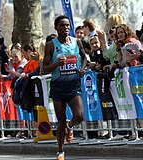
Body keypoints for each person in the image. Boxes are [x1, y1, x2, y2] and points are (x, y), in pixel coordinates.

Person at [43, 15, 87, 160]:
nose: (66, 28)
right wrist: (56, 64)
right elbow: (44, 68)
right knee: (61, 119)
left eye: (68, 25)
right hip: (58, 88)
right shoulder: (51, 45)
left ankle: (70, 126)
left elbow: (84, 57)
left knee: (79, 116)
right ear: (56, 27)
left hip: (73, 86)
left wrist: (82, 68)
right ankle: (60, 151)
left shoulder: (77, 42)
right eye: (62, 25)